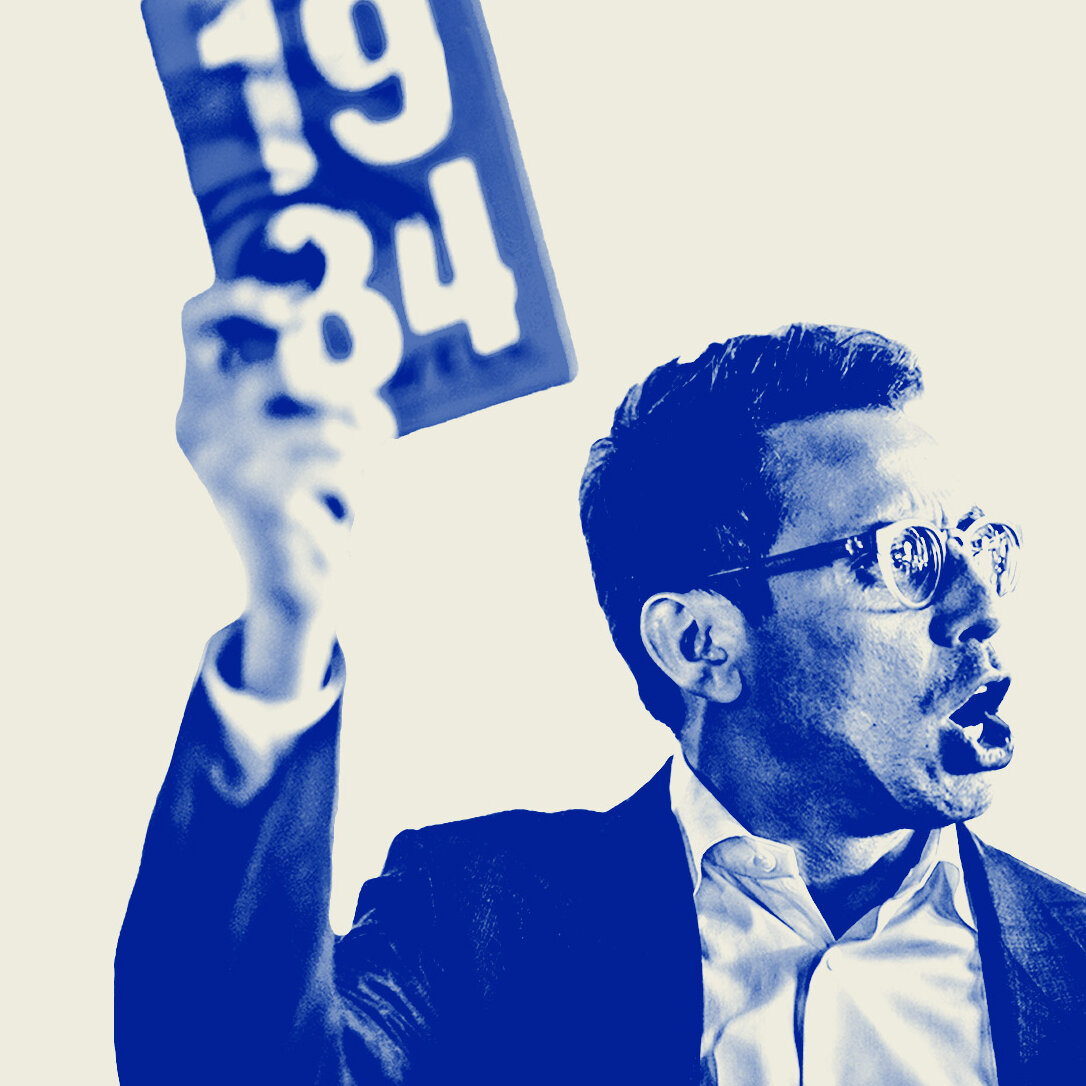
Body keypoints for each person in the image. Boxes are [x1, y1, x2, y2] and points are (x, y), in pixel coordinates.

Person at [115, 279, 1086, 1085]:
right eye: (904, 556)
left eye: (983, 546)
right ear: (699, 644)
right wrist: (286, 618)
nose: (983, 607)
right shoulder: (476, 918)